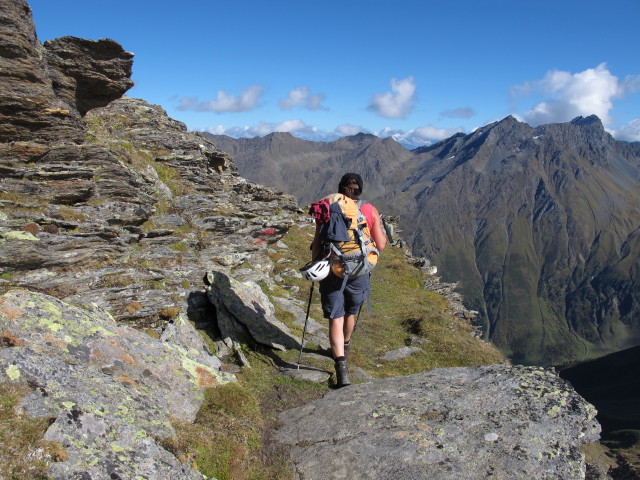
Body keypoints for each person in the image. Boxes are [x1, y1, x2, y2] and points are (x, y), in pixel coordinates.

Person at [311, 173, 387, 387]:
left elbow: (318, 240)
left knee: (336, 315)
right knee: (350, 312)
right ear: (359, 190)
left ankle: (341, 367)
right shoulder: (369, 210)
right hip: (359, 269)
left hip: (332, 267)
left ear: (340, 189)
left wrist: (315, 264)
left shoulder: (327, 206)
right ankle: (346, 344)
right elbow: (380, 246)